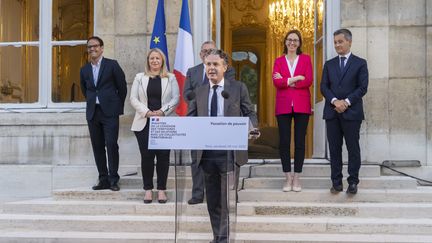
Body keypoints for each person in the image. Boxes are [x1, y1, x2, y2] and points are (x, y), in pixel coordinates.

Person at [187, 49, 258, 243]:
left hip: (229, 152)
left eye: (215, 64)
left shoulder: (237, 88)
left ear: (225, 67)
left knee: (226, 200)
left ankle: (224, 238)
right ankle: (217, 236)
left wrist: (251, 131)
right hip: (206, 152)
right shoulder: (199, 91)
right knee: (212, 200)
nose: (211, 68)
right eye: (208, 64)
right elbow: (190, 118)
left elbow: (249, 113)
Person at [183, 40, 236, 205]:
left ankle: (223, 194)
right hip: (199, 123)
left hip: (221, 123)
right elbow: (187, 94)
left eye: (211, 50)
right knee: (197, 159)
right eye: (204, 51)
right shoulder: (192, 72)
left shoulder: (228, 70)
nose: (207, 53)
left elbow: (231, 90)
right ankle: (198, 194)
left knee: (222, 160)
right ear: (200, 55)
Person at [320, 28, 368, 195]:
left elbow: (362, 88)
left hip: (352, 113)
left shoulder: (360, 63)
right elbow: (323, 87)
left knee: (353, 148)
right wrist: (335, 101)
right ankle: (336, 182)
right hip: (332, 113)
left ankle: (353, 182)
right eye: (335, 42)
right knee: (334, 149)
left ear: (349, 42)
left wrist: (346, 102)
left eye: (340, 41)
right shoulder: (329, 64)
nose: (337, 45)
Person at [130, 48, 180, 204]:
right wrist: (147, 112)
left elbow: (176, 98)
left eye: (157, 58)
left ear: (162, 61)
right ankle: (148, 190)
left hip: (163, 122)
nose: (154, 61)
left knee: (163, 157)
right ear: (148, 61)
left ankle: (162, 190)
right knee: (147, 157)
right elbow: (133, 98)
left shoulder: (170, 78)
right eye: (152, 58)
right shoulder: (140, 77)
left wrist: (162, 111)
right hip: (144, 122)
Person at [80, 36, 127, 192]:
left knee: (111, 144)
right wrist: (94, 102)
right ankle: (103, 179)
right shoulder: (84, 69)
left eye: (95, 46)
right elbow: (84, 90)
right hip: (93, 113)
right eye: (89, 47)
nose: (92, 49)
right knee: (97, 146)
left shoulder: (112, 65)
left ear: (101, 48)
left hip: (110, 112)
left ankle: (114, 179)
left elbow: (122, 87)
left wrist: (116, 106)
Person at [272, 29, 313, 192]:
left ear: (299, 43)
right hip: (283, 105)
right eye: (289, 39)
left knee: (300, 142)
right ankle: (287, 177)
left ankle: (297, 177)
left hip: (302, 105)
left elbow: (308, 80)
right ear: (285, 42)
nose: (292, 42)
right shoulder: (278, 61)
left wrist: (286, 81)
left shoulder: (306, 59)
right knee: (284, 142)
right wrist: (296, 78)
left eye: (295, 40)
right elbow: (277, 82)